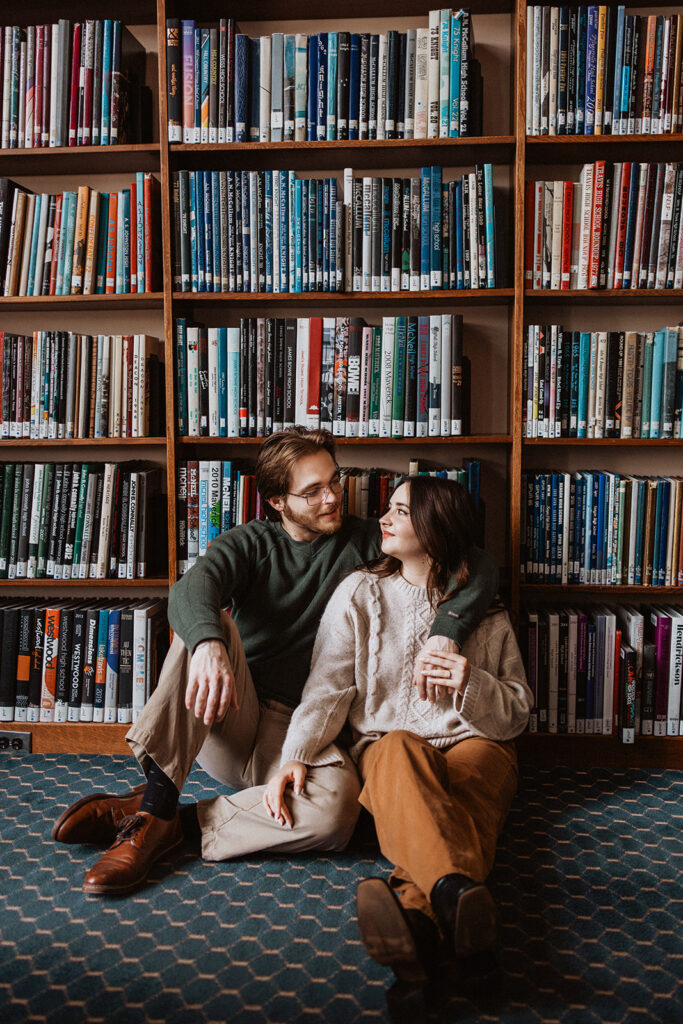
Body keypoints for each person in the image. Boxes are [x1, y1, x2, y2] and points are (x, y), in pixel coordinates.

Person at [51, 428, 500, 896]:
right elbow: (191, 590)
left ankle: (169, 819)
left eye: (334, 480)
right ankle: (158, 804)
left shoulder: (372, 541)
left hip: (305, 730)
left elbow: (478, 564)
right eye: (312, 491)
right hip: (230, 714)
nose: (331, 498)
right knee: (208, 626)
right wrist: (209, 645)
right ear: (276, 501)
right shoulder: (249, 544)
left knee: (337, 815)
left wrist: (446, 634)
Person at [263, 475, 533, 1003]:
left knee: (466, 797)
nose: (384, 518)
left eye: (401, 512)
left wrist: (470, 683)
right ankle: (457, 907)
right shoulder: (359, 593)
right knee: (401, 758)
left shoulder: (484, 607)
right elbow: (327, 688)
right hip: (393, 742)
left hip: (476, 742)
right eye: (388, 509)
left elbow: (516, 713)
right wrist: (294, 754)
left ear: (437, 527)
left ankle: (419, 929)